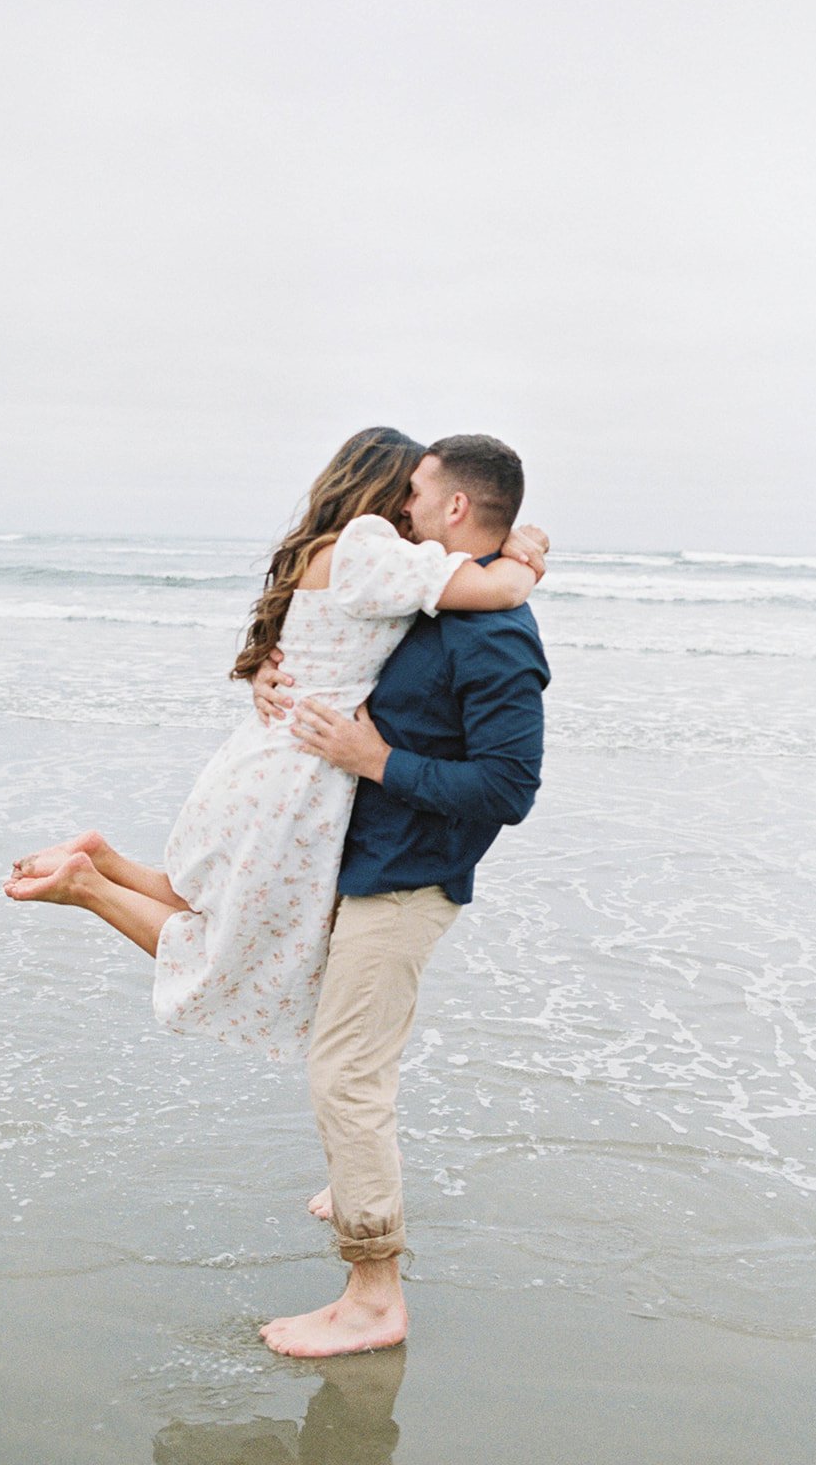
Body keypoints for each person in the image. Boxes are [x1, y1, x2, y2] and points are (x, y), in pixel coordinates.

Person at [3, 427, 547, 1066]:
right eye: (406, 492)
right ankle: (87, 885)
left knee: (213, 903)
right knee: (232, 954)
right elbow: (502, 590)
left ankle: (104, 862)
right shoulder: (367, 550)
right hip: (297, 782)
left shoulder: (330, 551)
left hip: (261, 759)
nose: (407, 509)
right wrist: (524, 551)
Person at [251, 434, 550, 1358]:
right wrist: (272, 679)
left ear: (454, 507)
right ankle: (354, 1181)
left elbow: (510, 789)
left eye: (415, 491)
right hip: (360, 857)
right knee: (352, 1054)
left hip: (408, 878)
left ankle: (373, 1298)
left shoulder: (495, 633)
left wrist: (374, 759)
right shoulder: (431, 593)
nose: (397, 505)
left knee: (344, 1072)